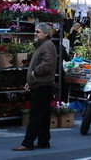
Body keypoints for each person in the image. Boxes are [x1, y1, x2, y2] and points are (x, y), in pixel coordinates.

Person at [12, 23, 56, 151]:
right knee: (43, 115)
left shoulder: (47, 45)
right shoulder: (44, 45)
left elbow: (48, 64)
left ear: (46, 33)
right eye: (35, 31)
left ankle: (27, 143)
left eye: (38, 31)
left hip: (42, 85)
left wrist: (35, 72)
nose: (35, 33)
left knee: (36, 115)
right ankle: (43, 141)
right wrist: (31, 80)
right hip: (41, 83)